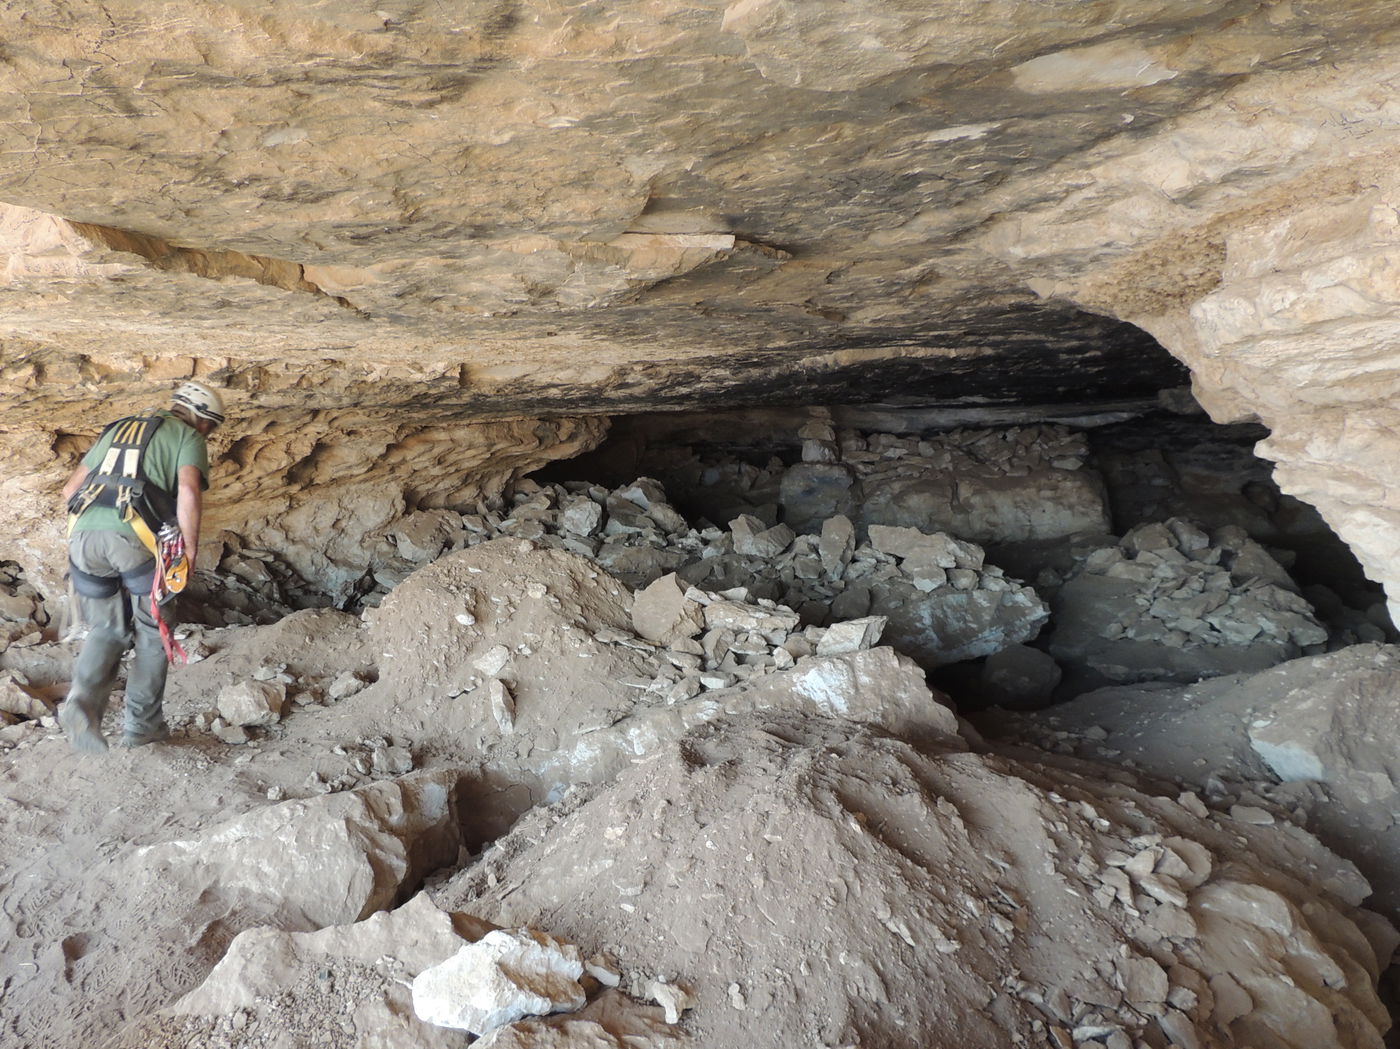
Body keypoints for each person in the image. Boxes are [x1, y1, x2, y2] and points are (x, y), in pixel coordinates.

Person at [57, 380, 225, 752]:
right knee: (153, 631)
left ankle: (81, 704)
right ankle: (143, 728)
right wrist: (188, 553)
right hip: (134, 539)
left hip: (83, 538)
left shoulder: (117, 428)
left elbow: (70, 490)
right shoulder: (187, 436)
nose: (208, 434)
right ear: (202, 419)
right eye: (210, 427)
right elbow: (188, 491)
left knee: (107, 628)